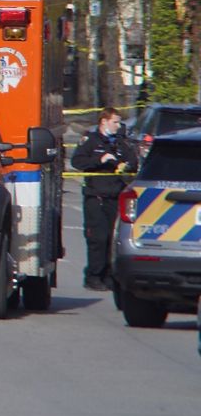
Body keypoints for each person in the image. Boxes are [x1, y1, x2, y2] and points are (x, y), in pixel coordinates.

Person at [70, 107, 138, 291]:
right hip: (96, 197)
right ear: (104, 122)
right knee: (98, 238)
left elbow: (133, 162)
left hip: (115, 197)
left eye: (118, 122)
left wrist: (126, 165)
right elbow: (77, 162)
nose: (118, 126)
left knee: (112, 239)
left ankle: (108, 275)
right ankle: (93, 276)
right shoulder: (91, 141)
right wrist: (100, 160)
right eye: (115, 122)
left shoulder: (121, 143)